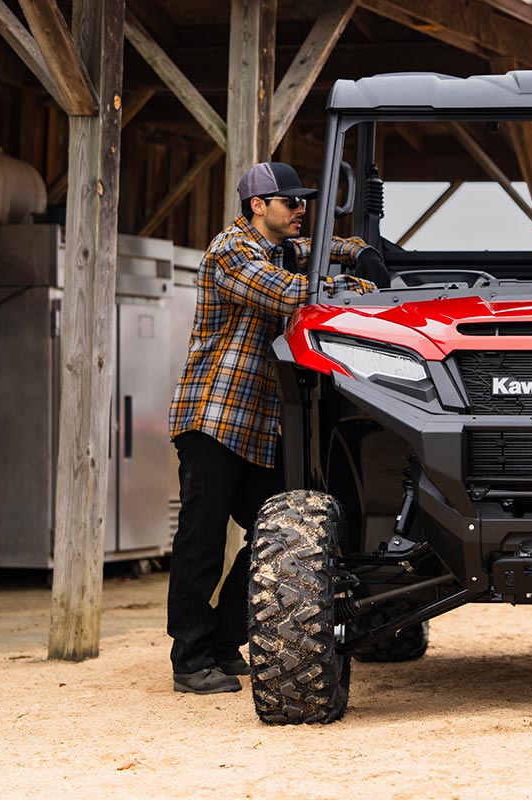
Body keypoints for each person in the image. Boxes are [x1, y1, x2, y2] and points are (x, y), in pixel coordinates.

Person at [166, 161, 387, 694]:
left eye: (302, 201)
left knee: (280, 535)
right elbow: (292, 294)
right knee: (201, 540)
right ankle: (190, 659)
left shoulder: (281, 246)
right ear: (257, 206)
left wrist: (362, 249)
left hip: (255, 426)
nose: (300, 210)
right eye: (290, 202)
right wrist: (360, 282)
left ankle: (222, 639)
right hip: (215, 415)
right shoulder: (232, 251)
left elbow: (322, 247)